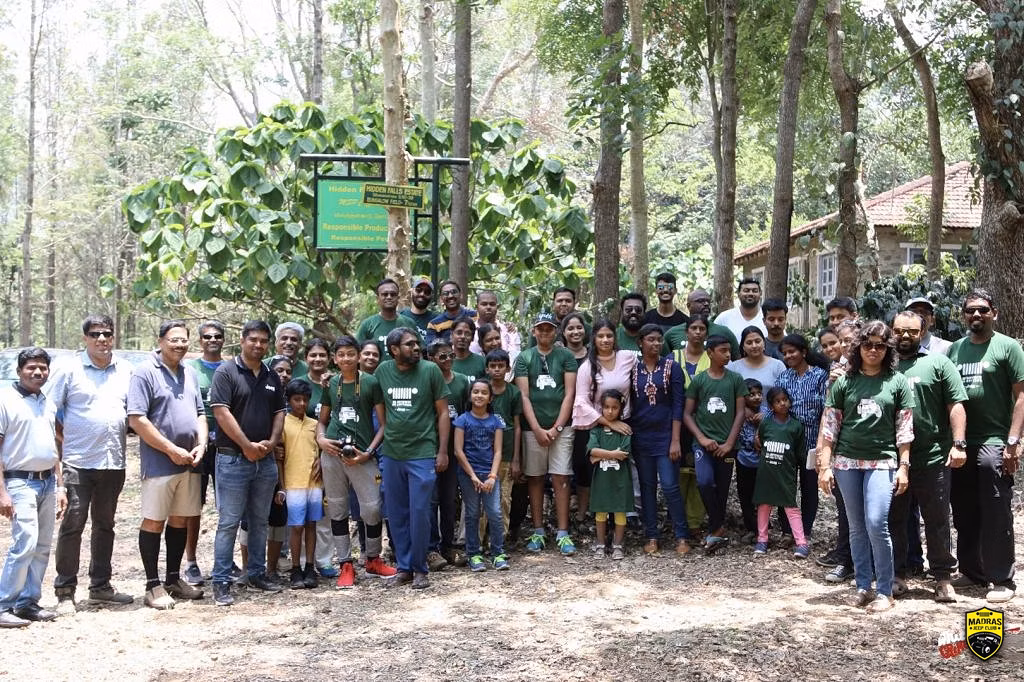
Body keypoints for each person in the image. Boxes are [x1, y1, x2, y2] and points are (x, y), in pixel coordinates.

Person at [817, 321, 915, 614]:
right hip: (846, 462)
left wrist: (904, 467)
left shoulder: (897, 382)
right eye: (868, 344)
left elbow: (905, 429)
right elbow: (830, 427)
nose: (874, 350)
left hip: (883, 461)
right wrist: (824, 466)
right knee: (857, 528)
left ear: (888, 349)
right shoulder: (844, 381)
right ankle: (863, 586)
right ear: (858, 347)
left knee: (876, 523)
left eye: (880, 345)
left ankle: (884, 590)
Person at [45, 314, 134, 614]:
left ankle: (100, 587)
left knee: (105, 524)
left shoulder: (125, 370)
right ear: (85, 338)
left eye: (107, 333)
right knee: (73, 523)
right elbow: (49, 412)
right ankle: (65, 590)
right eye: (95, 334)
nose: (102, 339)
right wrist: (64, 438)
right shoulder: (69, 369)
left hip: (113, 461)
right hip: (77, 462)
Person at [946, 289, 1024, 603]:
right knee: (963, 508)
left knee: (995, 509)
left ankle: (1001, 578)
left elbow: (1021, 396)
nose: (976, 315)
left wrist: (1013, 442)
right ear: (963, 315)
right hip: (961, 443)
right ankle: (971, 571)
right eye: (970, 311)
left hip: (994, 441)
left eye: (982, 310)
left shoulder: (1008, 347)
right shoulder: (955, 350)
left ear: (994, 313)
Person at [126, 321, 207, 610]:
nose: (179, 345)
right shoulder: (144, 372)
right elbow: (137, 419)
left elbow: (200, 413)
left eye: (184, 340)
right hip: (160, 462)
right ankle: (152, 586)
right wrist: (171, 449)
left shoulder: (189, 373)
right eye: (173, 340)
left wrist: (202, 443)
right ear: (160, 341)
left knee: (180, 519)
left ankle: (173, 579)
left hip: (190, 462)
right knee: (154, 520)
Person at [890, 310, 967, 603]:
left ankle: (943, 577)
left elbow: (956, 405)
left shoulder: (938, 362)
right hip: (891, 459)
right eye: (899, 331)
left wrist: (958, 444)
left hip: (933, 456)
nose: (905, 336)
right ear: (891, 331)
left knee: (936, 519)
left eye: (911, 331)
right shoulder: (883, 365)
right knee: (894, 518)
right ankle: (897, 574)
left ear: (922, 332)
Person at [209, 320, 287, 606]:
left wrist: (272, 441)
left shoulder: (270, 375)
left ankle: (256, 573)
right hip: (233, 460)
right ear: (242, 340)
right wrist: (246, 446)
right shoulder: (226, 372)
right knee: (229, 522)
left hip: (264, 461)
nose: (258, 345)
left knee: (259, 521)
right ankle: (221, 581)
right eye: (253, 339)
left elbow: (280, 411)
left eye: (263, 340)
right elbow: (221, 413)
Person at [372, 328, 451, 589]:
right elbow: (380, 408)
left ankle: (420, 569)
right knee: (396, 514)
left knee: (420, 512)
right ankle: (403, 568)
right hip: (393, 454)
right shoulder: (383, 371)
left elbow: (442, 413)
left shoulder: (430, 370)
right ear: (394, 349)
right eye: (409, 345)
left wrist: (441, 451)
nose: (416, 348)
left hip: (423, 453)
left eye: (417, 344)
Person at [317, 336, 396, 588]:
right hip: (332, 454)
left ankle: (373, 559)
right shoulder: (330, 384)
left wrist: (370, 452)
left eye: (351, 353)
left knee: (372, 507)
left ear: (359, 355)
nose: (346, 359)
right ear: (334, 358)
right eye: (340, 354)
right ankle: (346, 565)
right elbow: (322, 420)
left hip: (362, 454)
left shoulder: (371, 383)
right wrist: (320, 439)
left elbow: (384, 425)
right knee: (338, 509)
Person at [0, 348, 66, 628]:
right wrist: (2, 491)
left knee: (41, 546)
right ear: (19, 371)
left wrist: (61, 486)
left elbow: (55, 447)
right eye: (31, 368)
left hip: (47, 481)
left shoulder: (47, 402)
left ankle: (28, 603)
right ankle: (4, 604)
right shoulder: (5, 401)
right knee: (24, 543)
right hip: (19, 481)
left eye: (42, 368)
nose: (38, 372)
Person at [514, 312, 578, 555]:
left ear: (555, 332)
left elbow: (569, 394)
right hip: (534, 429)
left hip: (562, 428)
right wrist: (538, 429)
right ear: (534, 332)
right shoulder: (525, 358)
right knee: (536, 478)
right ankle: (538, 530)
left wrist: (557, 427)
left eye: (549, 329)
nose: (544, 333)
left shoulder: (566, 356)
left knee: (561, 478)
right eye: (540, 329)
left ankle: (563, 532)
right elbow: (524, 396)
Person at [630, 324, 690, 554]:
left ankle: (682, 536)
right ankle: (651, 535)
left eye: (659, 340)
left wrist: (676, 440)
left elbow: (678, 405)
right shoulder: (633, 370)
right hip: (641, 436)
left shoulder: (672, 367)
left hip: (666, 436)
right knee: (647, 487)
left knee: (670, 486)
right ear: (641, 342)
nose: (655, 344)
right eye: (651, 340)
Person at [684, 335, 747, 553]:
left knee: (721, 489)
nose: (728, 354)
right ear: (710, 353)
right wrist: (701, 438)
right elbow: (687, 414)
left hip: (727, 446)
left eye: (729, 350)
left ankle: (715, 531)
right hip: (703, 445)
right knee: (704, 482)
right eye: (722, 350)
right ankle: (717, 528)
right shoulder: (700, 380)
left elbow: (740, 413)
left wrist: (729, 443)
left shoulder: (736, 379)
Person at [572, 320, 635, 527]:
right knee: (591, 470)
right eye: (600, 336)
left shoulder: (628, 358)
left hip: (623, 422)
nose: (605, 340)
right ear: (594, 339)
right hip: (594, 425)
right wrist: (608, 423)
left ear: (615, 337)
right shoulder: (587, 367)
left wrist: (618, 423)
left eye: (609, 335)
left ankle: (622, 515)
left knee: (619, 468)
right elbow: (581, 400)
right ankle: (588, 514)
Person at [816, 319, 860, 584]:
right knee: (846, 508)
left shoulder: (877, 366)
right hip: (842, 446)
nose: (844, 346)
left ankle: (875, 565)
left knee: (874, 513)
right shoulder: (836, 369)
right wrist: (823, 449)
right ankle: (847, 559)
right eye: (841, 340)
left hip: (873, 447)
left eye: (849, 340)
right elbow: (830, 411)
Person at [773, 334, 828, 541]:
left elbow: (827, 407)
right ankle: (787, 530)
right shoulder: (784, 377)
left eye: (792, 351)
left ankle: (804, 531)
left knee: (809, 487)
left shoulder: (820, 375)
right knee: (785, 486)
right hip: (787, 440)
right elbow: (773, 406)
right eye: (785, 353)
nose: (788, 356)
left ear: (804, 352)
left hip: (813, 440)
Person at [184, 320, 226, 586]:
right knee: (193, 507)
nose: (213, 340)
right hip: (197, 445)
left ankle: (225, 561)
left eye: (217, 336)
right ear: (200, 341)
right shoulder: (190, 370)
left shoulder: (230, 368)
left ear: (224, 339)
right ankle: (191, 561)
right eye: (207, 336)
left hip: (226, 445)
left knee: (228, 507)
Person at [453, 379, 509, 572]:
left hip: (490, 474)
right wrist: (473, 476)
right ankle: (473, 554)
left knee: (494, 512)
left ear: (490, 398)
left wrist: (492, 476)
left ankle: (497, 552)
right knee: (472, 513)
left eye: (484, 392)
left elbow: (498, 451)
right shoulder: (462, 420)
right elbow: (458, 451)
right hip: (469, 475)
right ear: (470, 395)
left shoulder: (496, 422)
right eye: (475, 392)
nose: (479, 395)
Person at [424, 339, 469, 570]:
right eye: (442, 357)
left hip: (454, 449)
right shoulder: (426, 381)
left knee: (449, 500)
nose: (448, 360)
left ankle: (448, 545)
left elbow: (466, 414)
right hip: (429, 448)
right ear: (431, 358)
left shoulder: (461, 381)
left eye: (450, 355)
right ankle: (431, 549)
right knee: (431, 500)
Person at [753, 386, 808, 558]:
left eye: (785, 399)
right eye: (777, 401)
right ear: (770, 406)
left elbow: (799, 452)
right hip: (766, 474)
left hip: (786, 474)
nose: (782, 403)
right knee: (763, 505)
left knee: (791, 507)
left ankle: (801, 543)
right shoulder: (766, 424)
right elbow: (761, 442)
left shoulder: (796, 426)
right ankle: (762, 540)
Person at [280, 379, 322, 590]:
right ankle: (295, 568)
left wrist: (321, 462)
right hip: (292, 482)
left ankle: (310, 567)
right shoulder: (282, 423)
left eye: (305, 400)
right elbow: (279, 456)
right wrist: (280, 485)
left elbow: (320, 450)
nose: (302, 404)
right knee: (296, 526)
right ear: (289, 401)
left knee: (311, 525)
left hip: (314, 483)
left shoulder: (314, 425)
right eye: (297, 400)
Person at [673, 314, 710, 534]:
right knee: (677, 473)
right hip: (677, 424)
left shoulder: (712, 357)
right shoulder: (674, 357)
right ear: (686, 332)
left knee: (698, 474)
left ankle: (694, 521)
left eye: (701, 328)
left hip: (704, 425)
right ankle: (678, 520)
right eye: (693, 328)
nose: (697, 332)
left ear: (706, 333)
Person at [588, 389, 633, 561]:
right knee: (601, 512)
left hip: (620, 481)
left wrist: (601, 455)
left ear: (621, 409)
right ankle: (600, 544)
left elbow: (623, 453)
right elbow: (591, 452)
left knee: (620, 511)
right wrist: (612, 454)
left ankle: (618, 545)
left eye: (614, 407)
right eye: (606, 407)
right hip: (602, 481)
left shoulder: (625, 431)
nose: (610, 411)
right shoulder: (596, 431)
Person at [485, 349, 523, 537]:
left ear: (508, 368)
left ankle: (499, 540)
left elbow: (517, 427)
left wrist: (517, 458)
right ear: (487, 369)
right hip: (484, 456)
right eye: (493, 366)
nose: (497, 370)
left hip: (507, 454)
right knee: (484, 499)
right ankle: (480, 542)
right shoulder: (482, 392)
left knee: (504, 499)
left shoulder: (514, 392)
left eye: (501, 366)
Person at [663, 289, 739, 358]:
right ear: (689, 306)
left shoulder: (723, 331)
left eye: (708, 301)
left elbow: (738, 361)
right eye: (700, 301)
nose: (706, 304)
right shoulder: (673, 333)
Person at [356, 278, 420, 355]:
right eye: (385, 294)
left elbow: (419, 352)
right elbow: (357, 352)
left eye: (393, 294)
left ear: (398, 298)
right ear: (377, 298)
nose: (389, 297)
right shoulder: (367, 325)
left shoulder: (409, 323)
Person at [734, 378, 763, 543]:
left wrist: (764, 418)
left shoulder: (767, 411)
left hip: (762, 462)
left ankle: (762, 529)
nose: (756, 397)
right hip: (743, 460)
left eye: (759, 394)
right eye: (751, 394)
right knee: (745, 495)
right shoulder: (738, 412)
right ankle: (750, 528)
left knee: (761, 496)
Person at [469, 289, 521, 361]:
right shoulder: (469, 331)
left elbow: (515, 357)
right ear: (476, 307)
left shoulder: (509, 331)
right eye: (484, 304)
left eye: (492, 304)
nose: (488, 307)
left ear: (497, 307)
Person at [451, 315, 487, 381]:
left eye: (467, 333)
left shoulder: (482, 362)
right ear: (452, 335)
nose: (462, 337)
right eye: (459, 333)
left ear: (472, 337)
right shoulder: (445, 361)